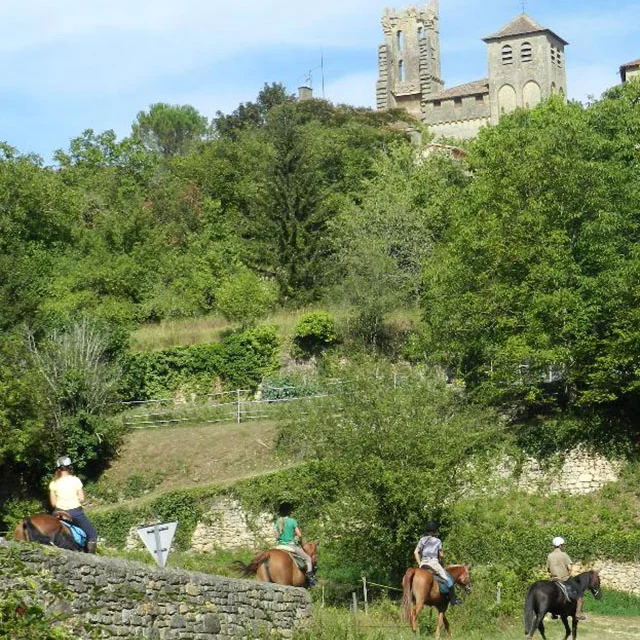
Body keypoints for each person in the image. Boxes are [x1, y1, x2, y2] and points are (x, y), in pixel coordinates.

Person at [49, 455, 97, 553]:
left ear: (58, 468)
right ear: (70, 467)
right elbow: (82, 498)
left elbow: (53, 503)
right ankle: (91, 557)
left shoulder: (53, 483)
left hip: (58, 513)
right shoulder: (75, 480)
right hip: (74, 512)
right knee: (92, 534)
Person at [414, 521, 460, 606]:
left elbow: (416, 552)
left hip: (423, 564)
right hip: (434, 563)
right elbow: (441, 555)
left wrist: (420, 563)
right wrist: (442, 561)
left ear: (427, 530)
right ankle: (454, 601)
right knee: (449, 581)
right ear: (434, 531)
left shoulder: (422, 539)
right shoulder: (438, 541)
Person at [274, 502, 316, 586]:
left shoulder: (278, 521)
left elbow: (276, 536)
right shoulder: (292, 521)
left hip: (279, 546)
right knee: (308, 558)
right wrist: (295, 537)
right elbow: (299, 534)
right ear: (289, 512)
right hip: (291, 545)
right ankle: (310, 578)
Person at [547, 536, 586, 621]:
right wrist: (569, 572)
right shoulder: (564, 555)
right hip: (564, 578)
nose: (563, 547)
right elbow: (569, 567)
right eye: (563, 545)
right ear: (560, 545)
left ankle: (553, 613)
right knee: (580, 593)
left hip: (554, 578)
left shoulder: (549, 556)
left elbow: (548, 569)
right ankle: (578, 613)